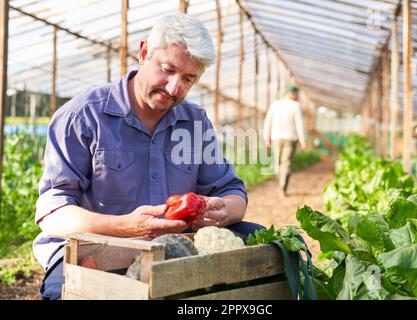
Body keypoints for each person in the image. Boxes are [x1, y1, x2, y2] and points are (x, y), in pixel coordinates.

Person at [33, 13, 264, 300]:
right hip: (95, 249)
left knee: (262, 246)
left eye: (188, 79)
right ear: (143, 53)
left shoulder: (194, 122)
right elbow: (52, 214)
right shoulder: (83, 116)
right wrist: (126, 227)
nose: (173, 88)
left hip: (174, 246)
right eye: (167, 69)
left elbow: (232, 192)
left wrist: (223, 210)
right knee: (66, 291)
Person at [263, 84, 306, 197]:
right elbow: (299, 124)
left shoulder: (275, 105)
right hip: (291, 138)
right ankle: (283, 186)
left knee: (277, 163)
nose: (298, 96)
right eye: (297, 94)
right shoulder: (296, 106)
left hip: (276, 137)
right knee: (286, 163)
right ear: (293, 93)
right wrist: (302, 140)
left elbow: (268, 122)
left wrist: (266, 137)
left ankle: (280, 184)